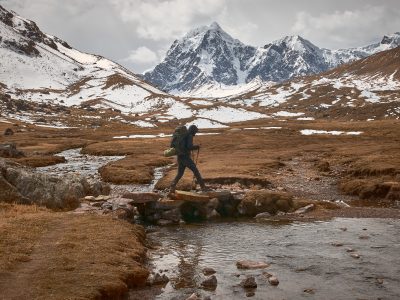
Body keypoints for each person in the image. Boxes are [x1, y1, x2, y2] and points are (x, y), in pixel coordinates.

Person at [169, 124, 206, 193]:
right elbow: (189, 146)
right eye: (195, 131)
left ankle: (172, 187)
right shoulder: (189, 135)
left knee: (180, 174)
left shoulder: (184, 135)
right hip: (185, 157)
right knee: (196, 171)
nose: (195, 133)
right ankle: (203, 187)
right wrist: (196, 147)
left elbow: (186, 146)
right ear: (193, 130)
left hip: (180, 156)